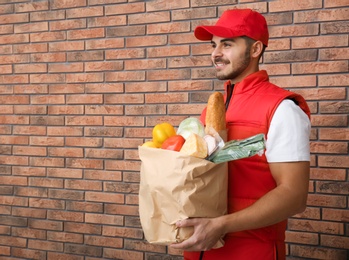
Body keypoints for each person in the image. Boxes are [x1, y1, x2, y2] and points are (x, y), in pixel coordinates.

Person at [170, 8, 311, 260]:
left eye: (227, 45)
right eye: (214, 46)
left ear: (255, 50)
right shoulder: (213, 109)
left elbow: (294, 196)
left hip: (250, 252)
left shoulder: (282, 108)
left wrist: (221, 225)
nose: (215, 54)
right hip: (200, 250)